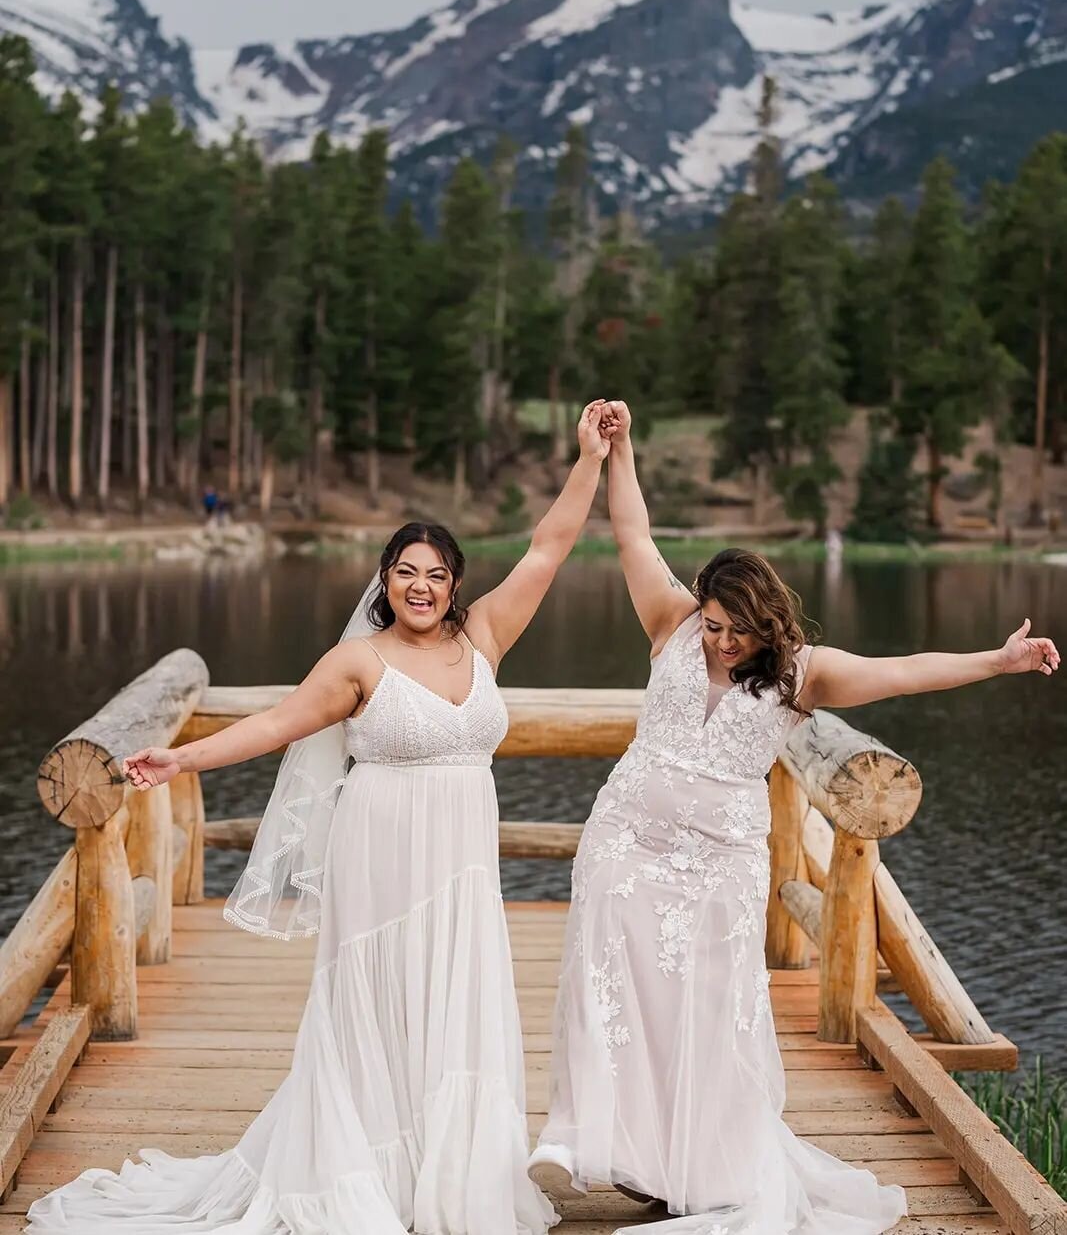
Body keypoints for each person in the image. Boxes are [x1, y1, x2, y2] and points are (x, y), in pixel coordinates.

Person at [26, 400, 618, 1235]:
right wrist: (183, 758)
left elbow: (549, 546)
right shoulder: (356, 661)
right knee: (377, 1002)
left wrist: (589, 458)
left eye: (436, 573)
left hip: (461, 864)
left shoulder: (484, 637)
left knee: (455, 1002)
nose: (421, 586)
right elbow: (276, 725)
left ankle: (447, 1182)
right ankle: (364, 1171)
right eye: (405, 571)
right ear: (384, 579)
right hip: (380, 854)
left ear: (455, 584)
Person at [528, 400, 1059, 1235]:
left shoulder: (803, 674)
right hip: (625, 839)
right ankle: (616, 1145)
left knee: (706, 1007)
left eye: (738, 633)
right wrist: (618, 451)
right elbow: (633, 535)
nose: (720, 644)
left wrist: (997, 659)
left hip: (719, 858)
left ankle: (699, 1163)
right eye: (713, 625)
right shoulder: (669, 623)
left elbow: (903, 672)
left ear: (767, 624)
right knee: (614, 991)